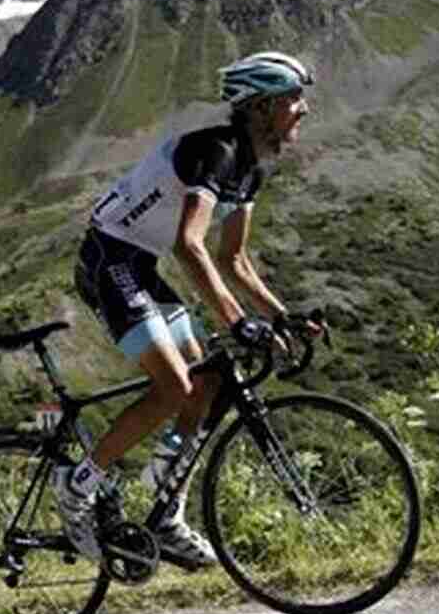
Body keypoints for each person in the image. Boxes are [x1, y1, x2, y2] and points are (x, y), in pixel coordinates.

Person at [61, 50, 321, 568]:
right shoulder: (216, 153)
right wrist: (234, 320)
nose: (304, 109)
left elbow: (235, 259)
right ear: (263, 106)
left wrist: (280, 314)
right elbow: (189, 245)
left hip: (142, 268)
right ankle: (78, 487)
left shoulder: (249, 171)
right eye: (294, 98)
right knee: (173, 386)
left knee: (206, 383)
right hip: (109, 260)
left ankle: (164, 505)